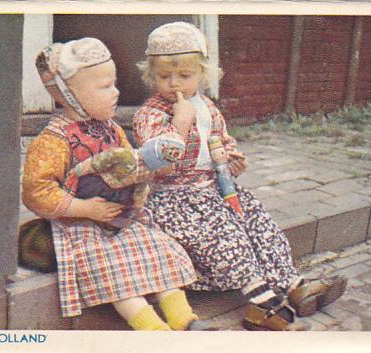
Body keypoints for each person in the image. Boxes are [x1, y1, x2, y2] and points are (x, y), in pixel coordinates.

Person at [133, 22, 347, 331]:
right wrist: (179, 124)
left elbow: (222, 142)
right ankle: (262, 306)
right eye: (164, 76)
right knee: (227, 238)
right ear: (151, 76)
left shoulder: (206, 106)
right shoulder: (151, 114)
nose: (174, 84)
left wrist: (233, 161)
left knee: (260, 224)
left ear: (201, 74)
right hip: (177, 201)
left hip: (216, 190)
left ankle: (295, 286)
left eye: (185, 75)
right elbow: (158, 162)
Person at [22, 37, 214, 331]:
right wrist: (84, 208)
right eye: (104, 87)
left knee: (158, 249)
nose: (116, 93)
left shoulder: (111, 129)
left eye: (114, 84)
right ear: (68, 94)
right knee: (115, 270)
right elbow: (37, 192)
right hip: (82, 226)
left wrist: (139, 184)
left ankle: (184, 318)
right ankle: (151, 327)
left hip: (120, 219)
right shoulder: (53, 141)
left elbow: (131, 163)